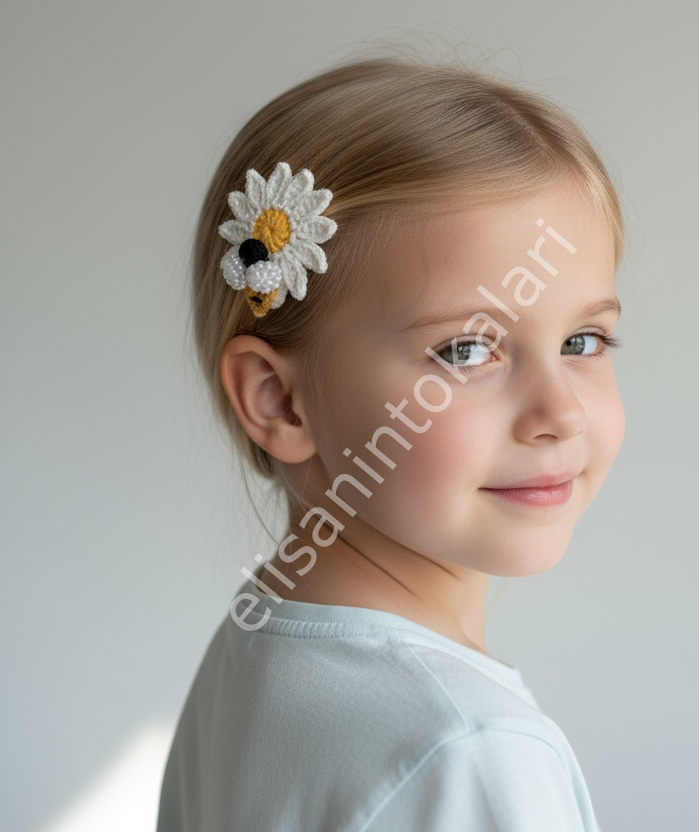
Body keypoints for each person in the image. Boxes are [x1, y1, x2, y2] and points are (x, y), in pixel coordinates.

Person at [157, 53, 626, 831]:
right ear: (280, 401)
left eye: (583, 341)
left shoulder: (259, 640)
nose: (559, 413)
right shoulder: (470, 748)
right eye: (466, 351)